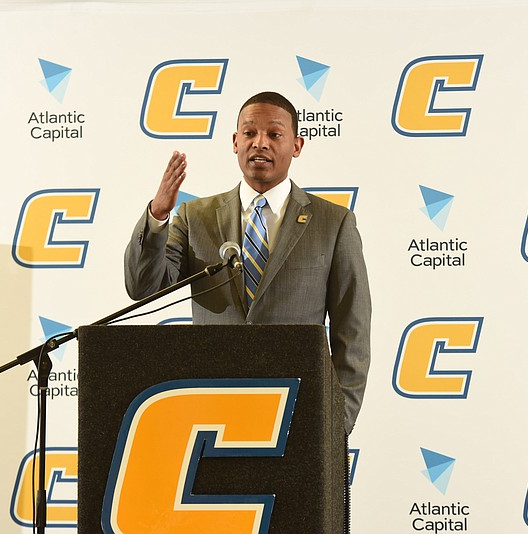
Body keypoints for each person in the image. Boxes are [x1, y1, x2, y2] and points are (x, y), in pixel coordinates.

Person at [124, 91, 370, 433]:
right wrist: (158, 215)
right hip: (209, 411)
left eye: (274, 134)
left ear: (296, 145)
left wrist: (337, 422)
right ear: (235, 141)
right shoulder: (196, 217)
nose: (260, 144)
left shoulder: (333, 223)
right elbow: (143, 287)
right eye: (250, 133)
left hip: (297, 413)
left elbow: (352, 330)